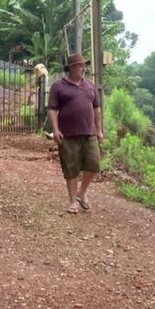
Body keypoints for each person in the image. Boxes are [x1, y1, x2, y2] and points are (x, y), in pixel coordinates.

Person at [47, 52, 104, 214]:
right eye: (80, 65)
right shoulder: (58, 86)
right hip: (68, 134)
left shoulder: (90, 86)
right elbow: (51, 109)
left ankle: (82, 193)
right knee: (71, 168)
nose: (83, 68)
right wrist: (55, 130)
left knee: (94, 165)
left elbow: (96, 109)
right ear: (72, 68)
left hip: (89, 133)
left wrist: (99, 130)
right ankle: (72, 201)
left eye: (84, 65)